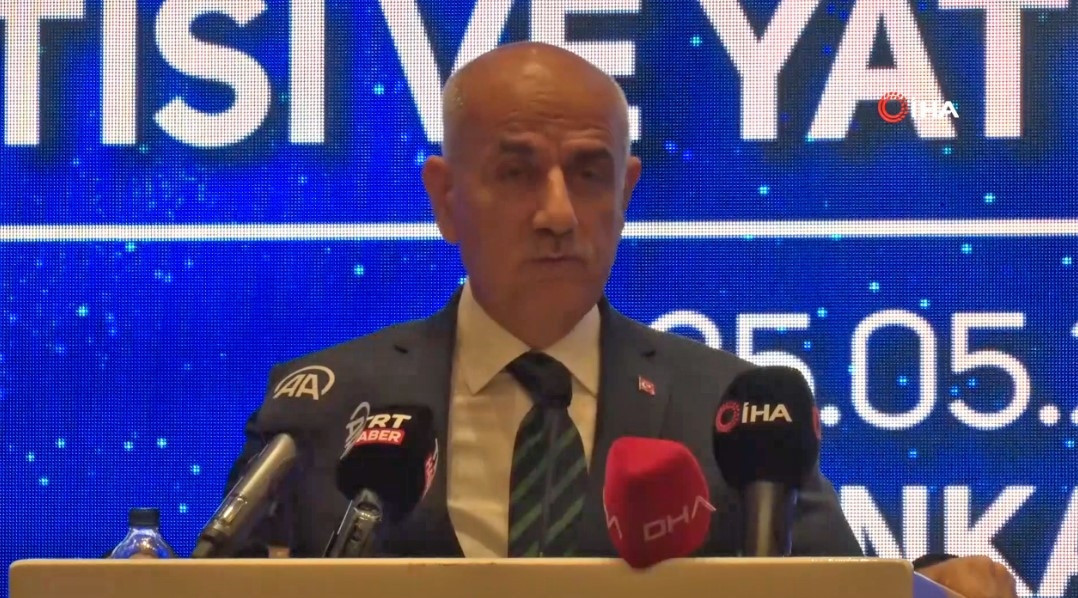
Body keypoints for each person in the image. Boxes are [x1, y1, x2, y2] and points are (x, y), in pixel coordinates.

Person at [227, 41, 1018, 598]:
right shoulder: (325, 404)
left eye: (589, 173)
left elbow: (833, 587)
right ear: (446, 198)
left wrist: (932, 584)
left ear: (627, 190)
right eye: (517, 172)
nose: (558, 214)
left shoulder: (734, 410)